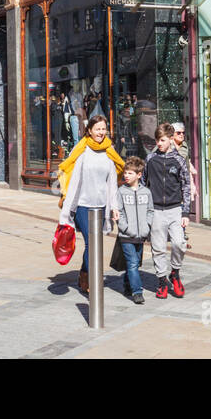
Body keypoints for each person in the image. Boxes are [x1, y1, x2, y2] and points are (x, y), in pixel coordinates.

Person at [57, 115, 124, 295]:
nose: (101, 133)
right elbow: (74, 181)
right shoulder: (81, 151)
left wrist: (114, 207)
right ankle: (91, 278)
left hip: (100, 206)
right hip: (82, 205)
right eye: (97, 129)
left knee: (96, 243)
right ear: (89, 131)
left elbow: (111, 184)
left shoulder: (109, 151)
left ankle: (84, 272)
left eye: (103, 129)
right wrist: (66, 210)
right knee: (91, 243)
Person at [145, 124, 191, 299]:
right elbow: (143, 183)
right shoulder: (151, 159)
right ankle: (162, 281)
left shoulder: (178, 160)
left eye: (162, 140)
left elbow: (186, 186)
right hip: (156, 210)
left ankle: (175, 272)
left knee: (180, 243)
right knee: (157, 248)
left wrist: (186, 212)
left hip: (175, 209)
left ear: (171, 139)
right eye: (157, 140)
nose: (159, 143)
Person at [114, 155, 151, 304]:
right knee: (133, 263)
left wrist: (147, 227)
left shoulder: (146, 192)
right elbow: (119, 212)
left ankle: (127, 283)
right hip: (126, 235)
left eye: (130, 173)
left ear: (139, 175)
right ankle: (137, 292)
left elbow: (150, 211)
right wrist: (126, 228)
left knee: (135, 263)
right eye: (125, 172)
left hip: (141, 234)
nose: (126, 175)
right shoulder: (121, 192)